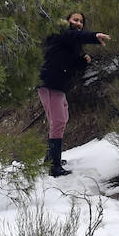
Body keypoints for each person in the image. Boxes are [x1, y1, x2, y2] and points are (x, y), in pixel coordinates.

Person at [36, 11, 111, 176]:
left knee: (62, 119)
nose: (78, 23)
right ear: (68, 21)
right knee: (58, 121)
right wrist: (94, 36)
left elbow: (75, 66)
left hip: (59, 86)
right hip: (49, 84)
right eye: (75, 20)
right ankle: (53, 167)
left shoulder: (72, 44)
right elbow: (74, 36)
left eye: (81, 21)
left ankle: (51, 158)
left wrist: (83, 60)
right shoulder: (62, 33)